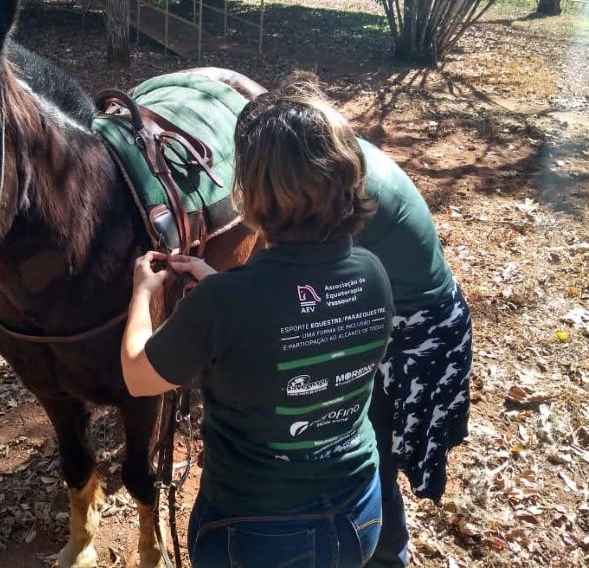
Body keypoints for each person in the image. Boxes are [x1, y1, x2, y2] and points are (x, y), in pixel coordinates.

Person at [121, 75, 396, 567]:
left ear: (253, 192)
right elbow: (301, 320)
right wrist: (218, 287)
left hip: (255, 533)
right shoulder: (373, 272)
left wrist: (142, 294)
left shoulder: (224, 304)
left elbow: (139, 377)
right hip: (359, 512)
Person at [353, 117, 473, 568]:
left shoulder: (337, 190)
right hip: (418, 322)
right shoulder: (341, 156)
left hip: (415, 338)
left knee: (371, 455)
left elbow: (306, 284)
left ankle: (386, 557)